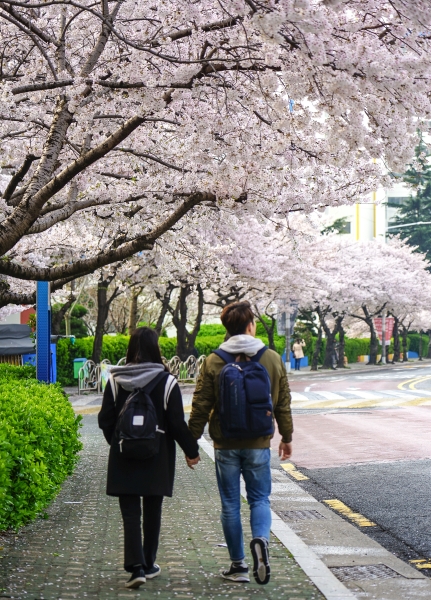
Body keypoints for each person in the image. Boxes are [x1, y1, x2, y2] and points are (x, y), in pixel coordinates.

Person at [187, 301, 293, 585]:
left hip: (225, 444)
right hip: (259, 442)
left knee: (230, 504)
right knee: (259, 498)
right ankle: (260, 540)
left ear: (226, 327)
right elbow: (282, 402)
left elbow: (200, 405)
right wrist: (286, 436)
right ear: (250, 325)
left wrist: (191, 444)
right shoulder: (271, 358)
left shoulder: (213, 360)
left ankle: (239, 566)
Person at [98, 327, 200, 589]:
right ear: (157, 350)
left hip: (124, 456)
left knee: (130, 514)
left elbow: (105, 420)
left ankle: (136, 568)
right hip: (158, 455)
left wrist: (119, 444)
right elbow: (177, 424)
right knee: (152, 511)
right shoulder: (167, 382)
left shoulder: (115, 380)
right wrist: (191, 451)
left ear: (130, 349)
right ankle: (149, 562)